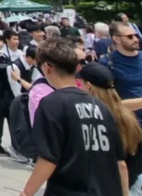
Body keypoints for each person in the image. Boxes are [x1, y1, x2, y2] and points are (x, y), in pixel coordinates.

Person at [20, 38, 127, 196]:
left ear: (48, 67)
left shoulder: (51, 104)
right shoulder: (101, 106)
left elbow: (48, 158)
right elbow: (120, 163)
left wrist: (27, 193)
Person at [79, 63, 142, 195]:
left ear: (89, 86)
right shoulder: (125, 114)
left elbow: (121, 165)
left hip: (117, 187)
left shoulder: (101, 118)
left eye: (81, 84)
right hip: (135, 184)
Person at [105, 20, 142, 157]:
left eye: (136, 35)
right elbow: (112, 104)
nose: (136, 39)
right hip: (135, 129)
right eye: (130, 36)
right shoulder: (107, 64)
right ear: (116, 39)